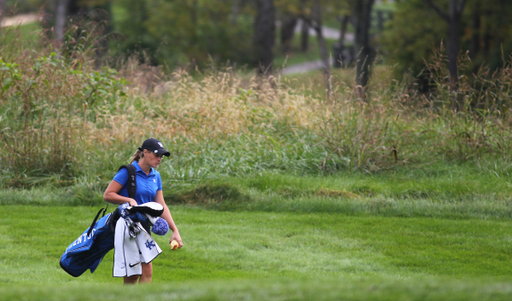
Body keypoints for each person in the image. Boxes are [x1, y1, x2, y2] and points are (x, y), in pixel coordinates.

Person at [103, 138, 183, 284]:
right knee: (134, 274)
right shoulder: (128, 172)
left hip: (144, 226)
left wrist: (175, 230)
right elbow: (108, 195)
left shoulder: (155, 176)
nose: (159, 159)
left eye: (161, 156)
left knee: (146, 272)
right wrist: (127, 200)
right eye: (156, 155)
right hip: (128, 227)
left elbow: (161, 205)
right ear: (145, 152)